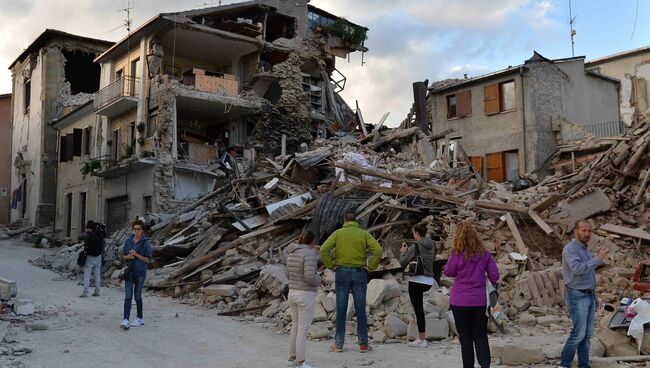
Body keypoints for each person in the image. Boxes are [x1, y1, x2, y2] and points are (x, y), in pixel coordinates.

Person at [320, 210, 383, 353]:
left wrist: (331, 266)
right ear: (356, 221)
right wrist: (371, 266)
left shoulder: (338, 234)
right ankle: (363, 345)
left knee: (341, 308)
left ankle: (338, 344)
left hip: (341, 272)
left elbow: (323, 250)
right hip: (359, 273)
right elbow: (378, 250)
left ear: (344, 220)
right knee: (360, 309)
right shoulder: (363, 234)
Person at [444, 220, 499, 368]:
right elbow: (495, 275)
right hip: (479, 300)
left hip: (460, 301)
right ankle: (485, 365)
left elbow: (449, 272)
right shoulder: (485, 254)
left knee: (465, 338)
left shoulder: (457, 254)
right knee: (480, 335)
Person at [559, 220, 608, 368]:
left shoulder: (586, 250)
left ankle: (584, 365)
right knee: (578, 334)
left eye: (589, 231)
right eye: (584, 230)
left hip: (589, 295)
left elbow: (588, 272)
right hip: (577, 295)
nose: (587, 233)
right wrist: (598, 259)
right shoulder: (570, 249)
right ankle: (565, 364)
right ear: (576, 231)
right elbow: (578, 269)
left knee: (587, 335)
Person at [286, 230, 320, 368]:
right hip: (305, 294)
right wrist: (319, 279)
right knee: (302, 329)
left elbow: (287, 274)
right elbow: (310, 277)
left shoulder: (291, 252)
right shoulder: (309, 255)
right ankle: (301, 362)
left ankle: (291, 358)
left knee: (295, 326)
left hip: (292, 292)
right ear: (312, 241)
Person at [399, 223, 437, 348]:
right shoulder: (432, 244)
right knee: (420, 310)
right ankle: (421, 338)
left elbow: (403, 263)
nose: (413, 235)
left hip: (417, 280)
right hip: (429, 281)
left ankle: (421, 339)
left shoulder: (415, 246)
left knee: (418, 310)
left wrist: (403, 252)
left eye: (413, 233)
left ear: (417, 233)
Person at [119, 220, 152, 330]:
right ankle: (125, 319)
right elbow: (123, 256)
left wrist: (136, 254)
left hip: (140, 272)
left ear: (142, 230)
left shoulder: (145, 243)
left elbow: (148, 260)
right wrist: (128, 257)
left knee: (137, 296)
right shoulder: (128, 241)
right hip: (129, 272)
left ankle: (140, 318)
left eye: (138, 229)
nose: (136, 231)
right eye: (134, 229)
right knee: (128, 296)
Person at [80, 220, 104, 298]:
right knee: (97, 275)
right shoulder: (100, 234)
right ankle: (97, 291)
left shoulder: (88, 235)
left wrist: (87, 233)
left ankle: (85, 292)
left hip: (90, 257)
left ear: (89, 228)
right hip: (98, 257)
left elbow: (79, 237)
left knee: (87, 275)